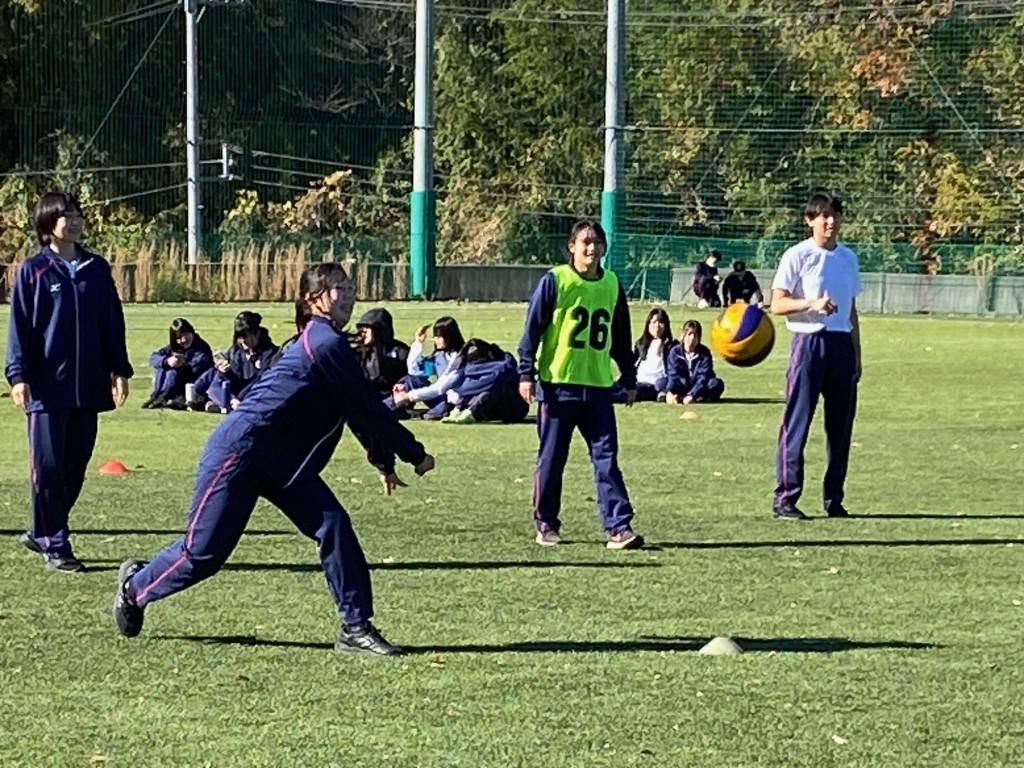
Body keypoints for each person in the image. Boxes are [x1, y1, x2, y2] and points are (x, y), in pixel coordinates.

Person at [111, 263, 436, 656]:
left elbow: (355, 410)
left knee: (332, 525)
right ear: (314, 298)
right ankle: (134, 588)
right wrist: (414, 453)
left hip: (284, 465)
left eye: (350, 288)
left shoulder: (329, 341)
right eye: (339, 289)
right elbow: (367, 407)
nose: (349, 295)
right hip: (240, 453)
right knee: (203, 554)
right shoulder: (325, 343)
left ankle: (355, 626)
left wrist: (384, 462)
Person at [4, 191, 133, 572]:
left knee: (74, 467)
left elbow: (111, 320)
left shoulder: (96, 268)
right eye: (65, 215)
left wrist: (119, 368)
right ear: (48, 223)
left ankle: (40, 528)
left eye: (77, 214)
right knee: (47, 467)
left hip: (88, 386)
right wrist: (18, 376)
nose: (74, 221)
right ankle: (55, 542)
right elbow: (20, 328)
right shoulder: (33, 271)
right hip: (46, 389)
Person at [517, 219, 643, 550]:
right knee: (552, 459)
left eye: (597, 243)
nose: (591, 248)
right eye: (584, 242)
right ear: (571, 247)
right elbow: (532, 330)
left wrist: (628, 379)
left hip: (598, 387)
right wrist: (525, 373)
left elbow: (621, 336)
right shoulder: (556, 281)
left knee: (606, 457)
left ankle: (618, 527)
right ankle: (546, 522)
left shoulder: (612, 285)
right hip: (559, 386)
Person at [770, 192, 861, 520]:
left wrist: (857, 355)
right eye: (823, 215)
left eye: (835, 214)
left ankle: (833, 499)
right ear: (810, 221)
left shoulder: (849, 258)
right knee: (797, 423)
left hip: (840, 347)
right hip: (808, 344)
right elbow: (777, 304)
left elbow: (852, 311)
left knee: (840, 428)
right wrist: (810, 303)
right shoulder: (797, 255)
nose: (830, 221)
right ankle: (786, 498)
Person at [190, 311, 277, 413]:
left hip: (248, 393)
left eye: (246, 337)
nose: (242, 341)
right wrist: (223, 370)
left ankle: (217, 404)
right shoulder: (236, 351)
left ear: (257, 334)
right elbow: (228, 377)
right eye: (239, 337)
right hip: (232, 391)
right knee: (213, 374)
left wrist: (238, 398)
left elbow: (259, 380)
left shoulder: (270, 354)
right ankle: (198, 397)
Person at [142, 318, 214, 409]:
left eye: (186, 335)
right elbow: (153, 358)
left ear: (191, 332)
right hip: (177, 385)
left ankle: (163, 397)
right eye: (179, 338)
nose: (183, 340)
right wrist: (167, 361)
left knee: (173, 371)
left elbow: (195, 370)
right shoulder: (175, 347)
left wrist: (180, 364)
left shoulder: (202, 349)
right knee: (163, 366)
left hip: (191, 386)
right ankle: (157, 395)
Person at [615, 307, 675, 403]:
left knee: (623, 394)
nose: (657, 326)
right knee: (613, 387)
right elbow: (633, 365)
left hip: (652, 384)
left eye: (660, 322)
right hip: (636, 380)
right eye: (653, 322)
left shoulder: (671, 347)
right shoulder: (641, 344)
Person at [665, 319, 725, 404]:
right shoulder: (675, 352)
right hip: (682, 385)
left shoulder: (704, 353)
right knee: (661, 381)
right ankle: (676, 396)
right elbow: (673, 374)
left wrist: (692, 394)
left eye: (695, 335)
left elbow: (703, 376)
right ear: (684, 336)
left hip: (698, 386)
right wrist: (669, 392)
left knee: (716, 383)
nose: (692, 338)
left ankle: (697, 398)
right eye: (689, 334)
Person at [355, 308, 409, 397]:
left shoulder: (400, 352)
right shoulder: (358, 353)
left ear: (379, 330)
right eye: (362, 328)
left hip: (393, 401)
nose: (363, 332)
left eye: (368, 328)